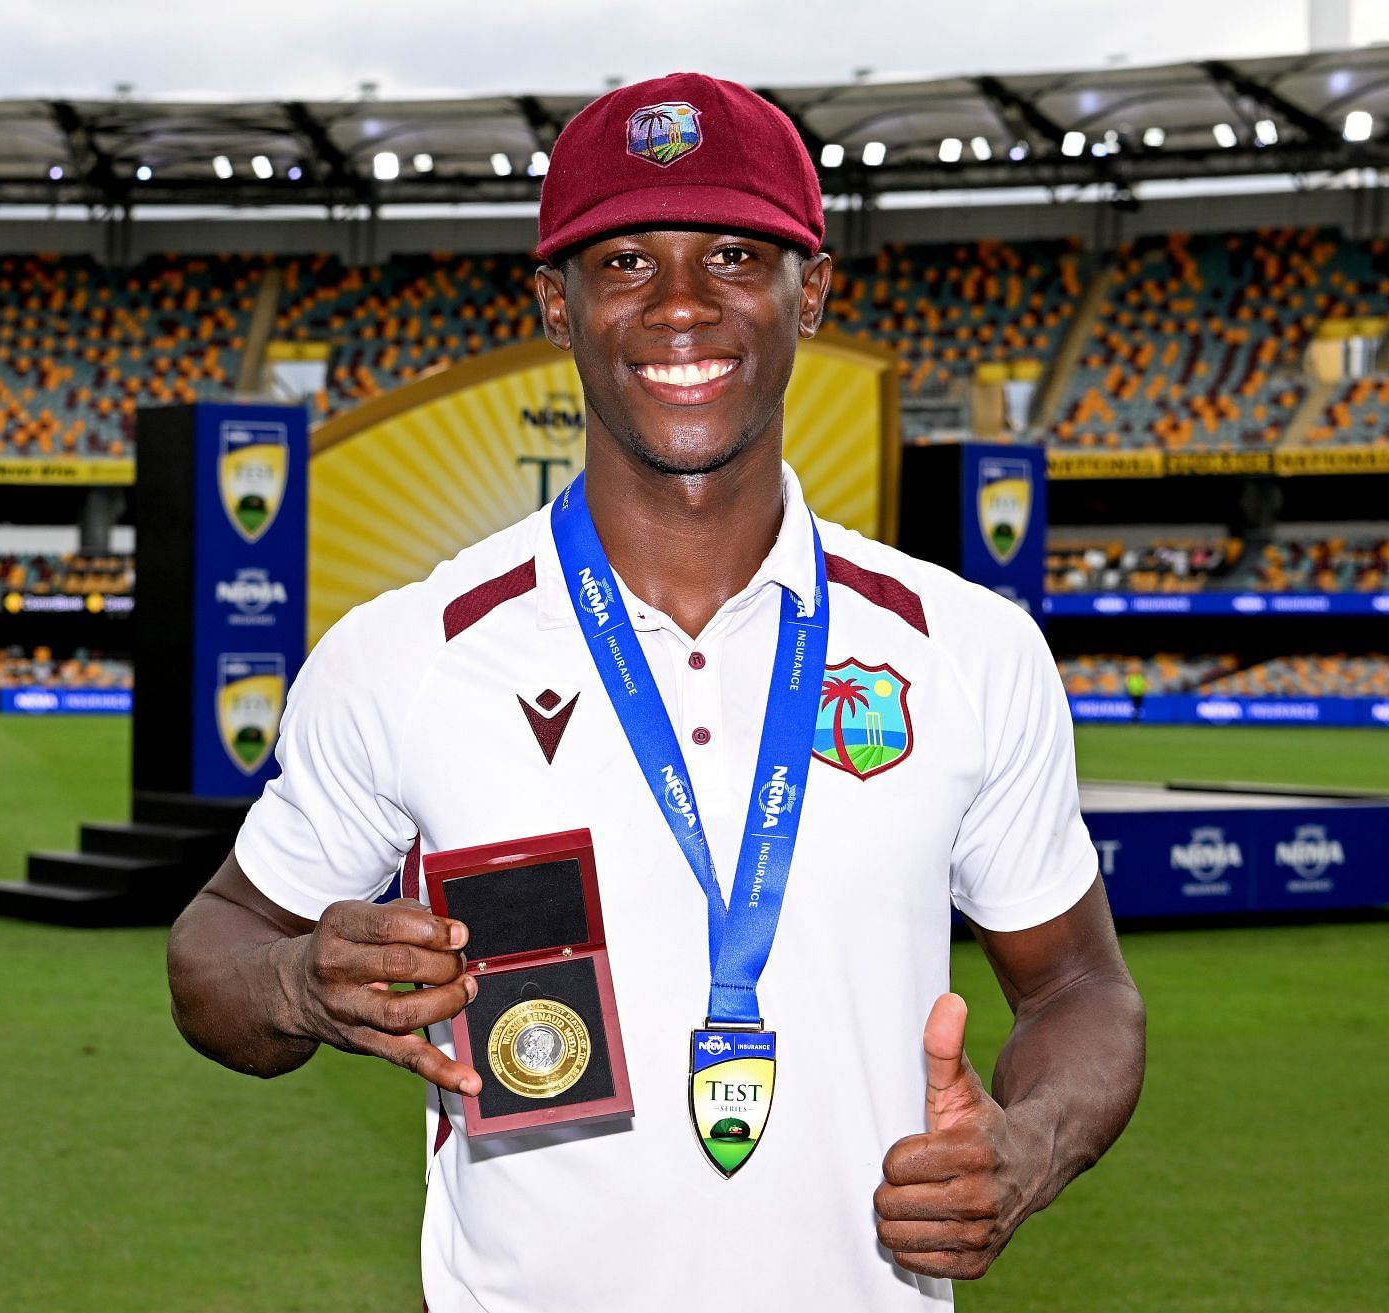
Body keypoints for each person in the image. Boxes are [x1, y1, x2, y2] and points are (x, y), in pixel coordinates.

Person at [168, 72, 1144, 1312]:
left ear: (815, 291)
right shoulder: (409, 653)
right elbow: (214, 949)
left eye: (735, 254)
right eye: (625, 261)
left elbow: (1080, 987)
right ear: (556, 306)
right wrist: (299, 980)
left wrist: (1030, 1146)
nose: (682, 306)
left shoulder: (965, 648)